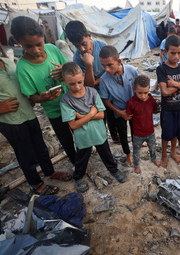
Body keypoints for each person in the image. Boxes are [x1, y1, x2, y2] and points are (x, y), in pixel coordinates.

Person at [0, 24, 71, 195]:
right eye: (29, 46)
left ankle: (50, 172)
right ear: (19, 42)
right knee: (25, 153)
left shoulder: (7, 62)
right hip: (10, 121)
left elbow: (24, 89)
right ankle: (36, 184)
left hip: (28, 114)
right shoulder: (21, 65)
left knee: (40, 148)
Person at [10, 16, 76, 166]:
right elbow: (32, 97)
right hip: (55, 111)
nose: (36, 50)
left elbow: (70, 70)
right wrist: (43, 98)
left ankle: (84, 156)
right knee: (66, 140)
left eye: (39, 44)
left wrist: (64, 72)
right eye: (28, 46)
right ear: (18, 41)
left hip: (73, 102)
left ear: (43, 37)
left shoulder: (52, 49)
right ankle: (76, 164)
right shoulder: (23, 68)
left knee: (81, 133)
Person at [60, 62, 127, 192]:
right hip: (83, 138)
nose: (77, 86)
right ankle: (78, 177)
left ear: (83, 76)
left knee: (107, 154)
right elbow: (73, 125)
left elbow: (101, 114)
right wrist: (91, 113)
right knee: (81, 159)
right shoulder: (65, 100)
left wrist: (81, 116)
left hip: (99, 134)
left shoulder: (92, 92)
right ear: (64, 81)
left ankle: (114, 170)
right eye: (72, 84)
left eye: (79, 82)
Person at [64, 20, 119, 143]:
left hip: (109, 88)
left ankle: (116, 138)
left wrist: (98, 80)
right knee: (100, 117)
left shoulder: (102, 47)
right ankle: (102, 140)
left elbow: (111, 70)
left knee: (113, 115)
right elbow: (88, 85)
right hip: (94, 95)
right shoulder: (78, 58)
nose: (82, 49)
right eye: (77, 46)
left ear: (89, 36)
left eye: (84, 43)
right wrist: (88, 65)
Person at [99, 45, 137, 167]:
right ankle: (128, 155)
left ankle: (136, 150)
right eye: (103, 65)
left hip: (134, 110)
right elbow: (105, 99)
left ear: (119, 61)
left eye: (110, 65)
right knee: (122, 134)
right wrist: (119, 112)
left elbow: (139, 89)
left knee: (136, 131)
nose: (106, 69)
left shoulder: (132, 71)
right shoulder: (104, 79)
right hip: (119, 111)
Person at [156, 35, 180, 167]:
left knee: (176, 132)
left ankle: (172, 152)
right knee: (166, 134)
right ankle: (164, 154)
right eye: (173, 53)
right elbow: (164, 92)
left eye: (179, 52)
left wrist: (174, 84)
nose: (176, 56)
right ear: (165, 52)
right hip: (167, 110)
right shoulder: (162, 69)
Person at [126, 75, 161, 174]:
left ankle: (153, 158)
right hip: (137, 134)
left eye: (146, 92)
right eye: (139, 93)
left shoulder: (151, 100)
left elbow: (154, 109)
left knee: (152, 147)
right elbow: (129, 115)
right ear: (134, 90)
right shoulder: (131, 103)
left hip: (150, 131)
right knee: (136, 150)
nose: (143, 96)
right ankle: (136, 165)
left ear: (149, 89)